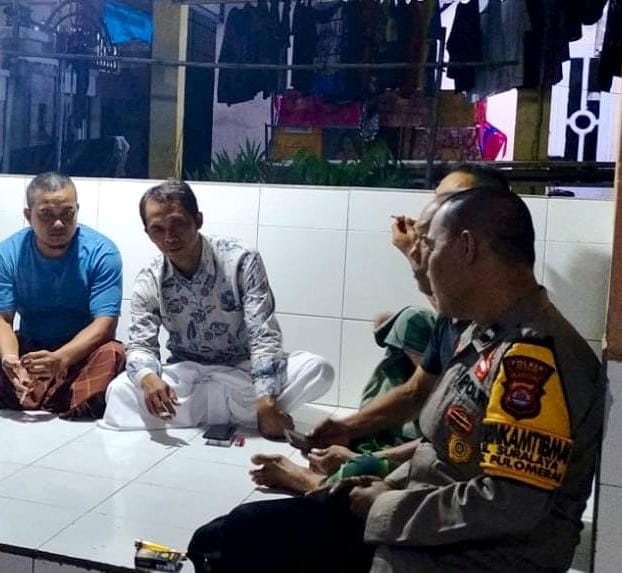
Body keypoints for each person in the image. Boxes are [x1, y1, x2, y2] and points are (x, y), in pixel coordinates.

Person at [188, 187, 603, 573]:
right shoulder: (485, 334)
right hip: (427, 520)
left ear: (467, 248)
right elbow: (444, 453)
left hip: (473, 555)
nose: (422, 263)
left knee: (243, 545)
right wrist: (380, 478)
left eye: (430, 247)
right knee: (225, 535)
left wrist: (385, 506)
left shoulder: (531, 360)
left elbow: (509, 505)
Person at [101, 180, 334, 438]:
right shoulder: (150, 278)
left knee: (318, 370)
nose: (169, 237)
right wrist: (149, 379)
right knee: (119, 392)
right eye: (158, 229)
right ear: (147, 233)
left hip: (244, 371)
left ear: (198, 220)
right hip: (189, 374)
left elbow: (263, 335)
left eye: (178, 223)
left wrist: (266, 399)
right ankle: (242, 413)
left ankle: (242, 410)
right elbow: (141, 344)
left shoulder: (241, 260)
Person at [0, 172, 124, 418]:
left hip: (81, 354)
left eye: (67, 214)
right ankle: (51, 395)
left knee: (113, 354)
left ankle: (38, 396)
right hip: (31, 351)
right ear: (28, 216)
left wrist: (62, 358)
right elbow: (3, 319)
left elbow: (105, 324)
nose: (58, 224)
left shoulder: (102, 252)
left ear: (77, 210)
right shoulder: (8, 253)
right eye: (46, 215)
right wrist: (10, 358)